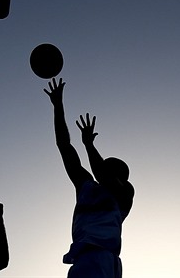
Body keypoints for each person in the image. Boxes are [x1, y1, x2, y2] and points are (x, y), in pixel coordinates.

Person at [44, 78, 134, 278]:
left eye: (109, 165)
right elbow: (64, 146)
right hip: (83, 259)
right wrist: (58, 106)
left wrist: (88, 145)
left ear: (120, 175)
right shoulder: (87, 186)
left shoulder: (125, 193)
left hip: (103, 258)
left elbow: (102, 172)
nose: (103, 165)